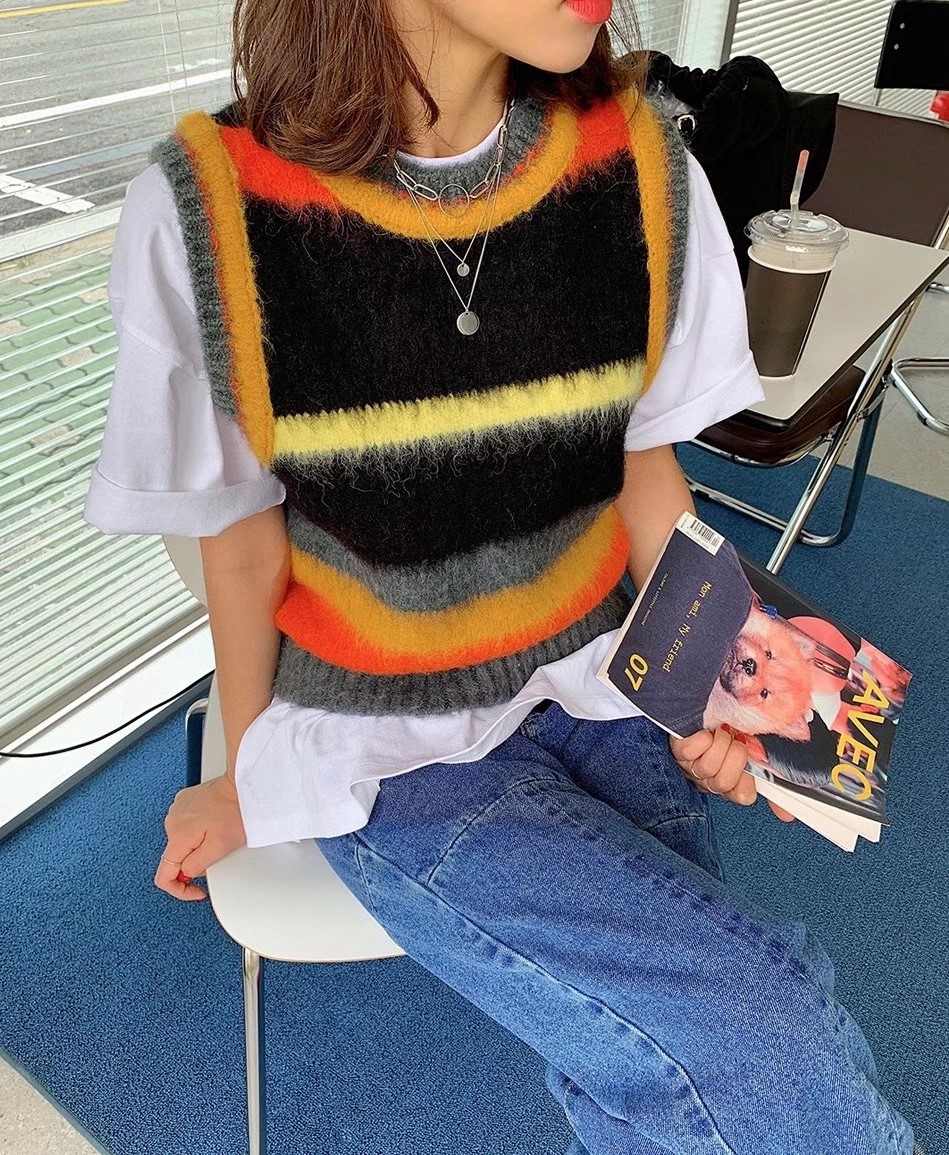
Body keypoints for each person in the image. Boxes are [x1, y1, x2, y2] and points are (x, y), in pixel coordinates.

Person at [82, 1, 918, 1151]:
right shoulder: (209, 209)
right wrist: (253, 773)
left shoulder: (642, 165)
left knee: (674, 1063)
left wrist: (714, 686)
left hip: (603, 676)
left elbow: (642, 475)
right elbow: (243, 544)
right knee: (769, 1028)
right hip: (385, 744)